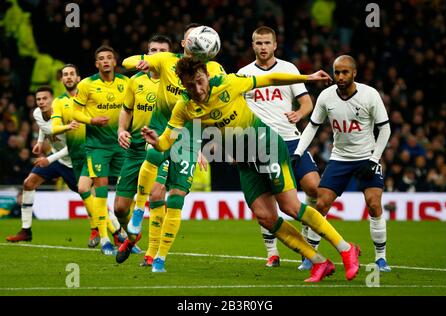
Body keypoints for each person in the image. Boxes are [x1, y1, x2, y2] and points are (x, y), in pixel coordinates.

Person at [141, 56, 361, 282]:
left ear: (206, 75)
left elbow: (271, 78)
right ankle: (319, 262)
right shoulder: (184, 107)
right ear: (183, 84)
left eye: (200, 81)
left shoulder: (228, 83)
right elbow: (167, 141)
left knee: (291, 207)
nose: (197, 89)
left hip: (266, 146)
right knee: (266, 217)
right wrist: (156, 141)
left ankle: (345, 249)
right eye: (190, 85)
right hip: (244, 160)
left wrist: (307, 77)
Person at [117, 24, 225, 272]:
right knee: (155, 193)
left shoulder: (214, 69)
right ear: (184, 44)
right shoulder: (167, 61)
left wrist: (209, 141)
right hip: (162, 132)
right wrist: (144, 62)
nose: (194, 43)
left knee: (174, 198)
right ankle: (139, 229)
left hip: (189, 138)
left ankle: (155, 255)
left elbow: (218, 102)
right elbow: (128, 61)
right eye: (190, 39)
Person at [294, 55, 392, 272]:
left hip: (366, 157)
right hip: (339, 158)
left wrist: (374, 159)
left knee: (374, 204)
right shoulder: (327, 96)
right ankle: (311, 256)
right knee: (320, 205)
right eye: (337, 72)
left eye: (345, 72)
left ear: (354, 73)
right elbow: (312, 126)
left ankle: (381, 258)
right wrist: (298, 152)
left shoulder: (370, 95)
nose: (340, 76)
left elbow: (385, 129)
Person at [238, 26, 321, 269]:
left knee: (314, 188)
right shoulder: (243, 75)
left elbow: (307, 102)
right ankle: (272, 252)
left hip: (291, 139)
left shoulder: (288, 69)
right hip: (259, 143)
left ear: (275, 45)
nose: (263, 47)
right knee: (268, 200)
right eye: (258, 43)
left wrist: (299, 113)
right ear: (252, 46)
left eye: (266, 43)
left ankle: (310, 245)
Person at [51, 64, 121, 248]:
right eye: (65, 75)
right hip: (76, 155)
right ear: (61, 79)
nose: (68, 77)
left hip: (94, 149)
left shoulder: (90, 96)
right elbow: (54, 127)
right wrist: (65, 127)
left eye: (71, 74)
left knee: (90, 190)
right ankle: (114, 232)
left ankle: (112, 233)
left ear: (78, 78)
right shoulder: (58, 102)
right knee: (88, 193)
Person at [116, 35, 173, 258]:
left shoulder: (175, 81)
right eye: (153, 50)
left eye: (162, 51)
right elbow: (127, 109)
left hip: (162, 146)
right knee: (120, 208)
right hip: (136, 148)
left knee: (157, 196)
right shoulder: (135, 81)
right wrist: (122, 130)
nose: (157, 54)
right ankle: (133, 237)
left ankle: (153, 253)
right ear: (146, 54)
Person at [72, 45, 129, 255]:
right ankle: (105, 239)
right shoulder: (87, 84)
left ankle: (125, 236)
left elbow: (134, 107)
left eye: (109, 58)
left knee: (126, 192)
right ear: (97, 64)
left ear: (115, 62)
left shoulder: (126, 83)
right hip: (97, 146)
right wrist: (91, 120)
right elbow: (74, 112)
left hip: (121, 143)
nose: (105, 61)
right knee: (101, 187)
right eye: (101, 59)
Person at [6, 86, 78, 242]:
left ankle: (117, 231)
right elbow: (43, 127)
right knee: (28, 183)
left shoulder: (65, 115)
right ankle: (26, 231)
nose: (41, 102)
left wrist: (48, 159)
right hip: (55, 158)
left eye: (45, 98)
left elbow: (72, 147)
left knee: (91, 197)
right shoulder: (37, 113)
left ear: (53, 100)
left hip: (72, 161)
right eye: (38, 99)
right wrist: (40, 142)